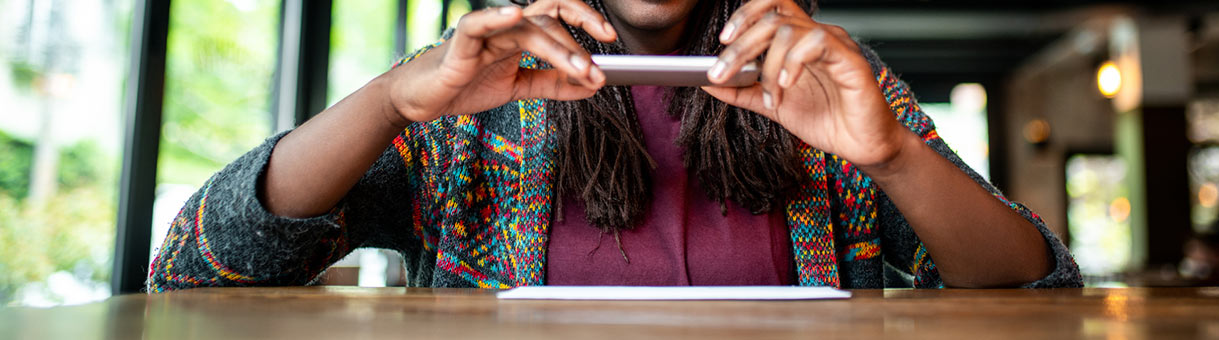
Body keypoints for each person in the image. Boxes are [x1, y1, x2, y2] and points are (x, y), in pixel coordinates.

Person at [146, 0, 1081, 291]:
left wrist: (892, 158)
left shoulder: (821, 77)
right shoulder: (469, 94)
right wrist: (396, 98)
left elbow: (1043, 295)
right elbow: (197, 269)